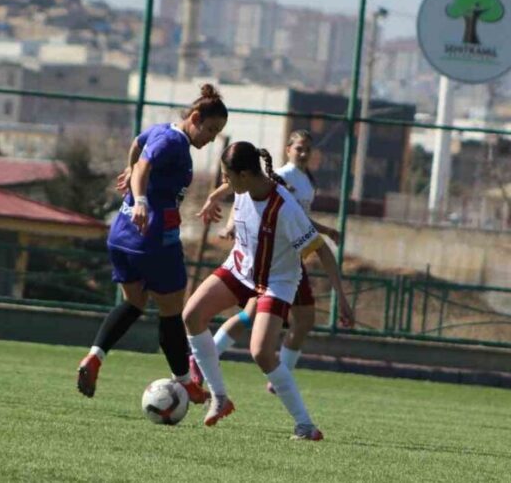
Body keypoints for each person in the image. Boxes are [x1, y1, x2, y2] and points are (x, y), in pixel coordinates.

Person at [183, 141, 354, 441]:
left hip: (277, 280)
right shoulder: (243, 188)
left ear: (246, 175)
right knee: (192, 315)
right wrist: (212, 199)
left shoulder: (285, 209)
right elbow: (226, 188)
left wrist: (341, 297)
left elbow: (323, 251)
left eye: (228, 175)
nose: (226, 181)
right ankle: (219, 397)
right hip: (240, 268)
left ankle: (305, 425)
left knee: (261, 351)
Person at [76, 84, 228, 404]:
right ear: (196, 117)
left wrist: (130, 170)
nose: (212, 138)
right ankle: (185, 381)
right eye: (211, 129)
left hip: (121, 234)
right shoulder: (175, 142)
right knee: (172, 312)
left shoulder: (162, 130)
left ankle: (95, 356)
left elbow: (137, 146)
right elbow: (145, 165)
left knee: (134, 302)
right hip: (154, 236)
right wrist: (142, 196)